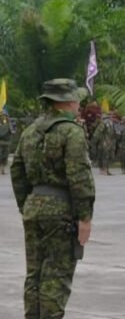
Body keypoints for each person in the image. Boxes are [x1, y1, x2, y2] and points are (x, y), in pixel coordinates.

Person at [10, 78, 95, 319]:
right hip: (61, 212)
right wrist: (85, 217)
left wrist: (26, 204)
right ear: (67, 102)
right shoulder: (71, 132)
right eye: (76, 99)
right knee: (56, 277)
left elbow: (17, 170)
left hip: (33, 208)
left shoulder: (30, 132)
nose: (79, 103)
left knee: (34, 276)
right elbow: (79, 177)